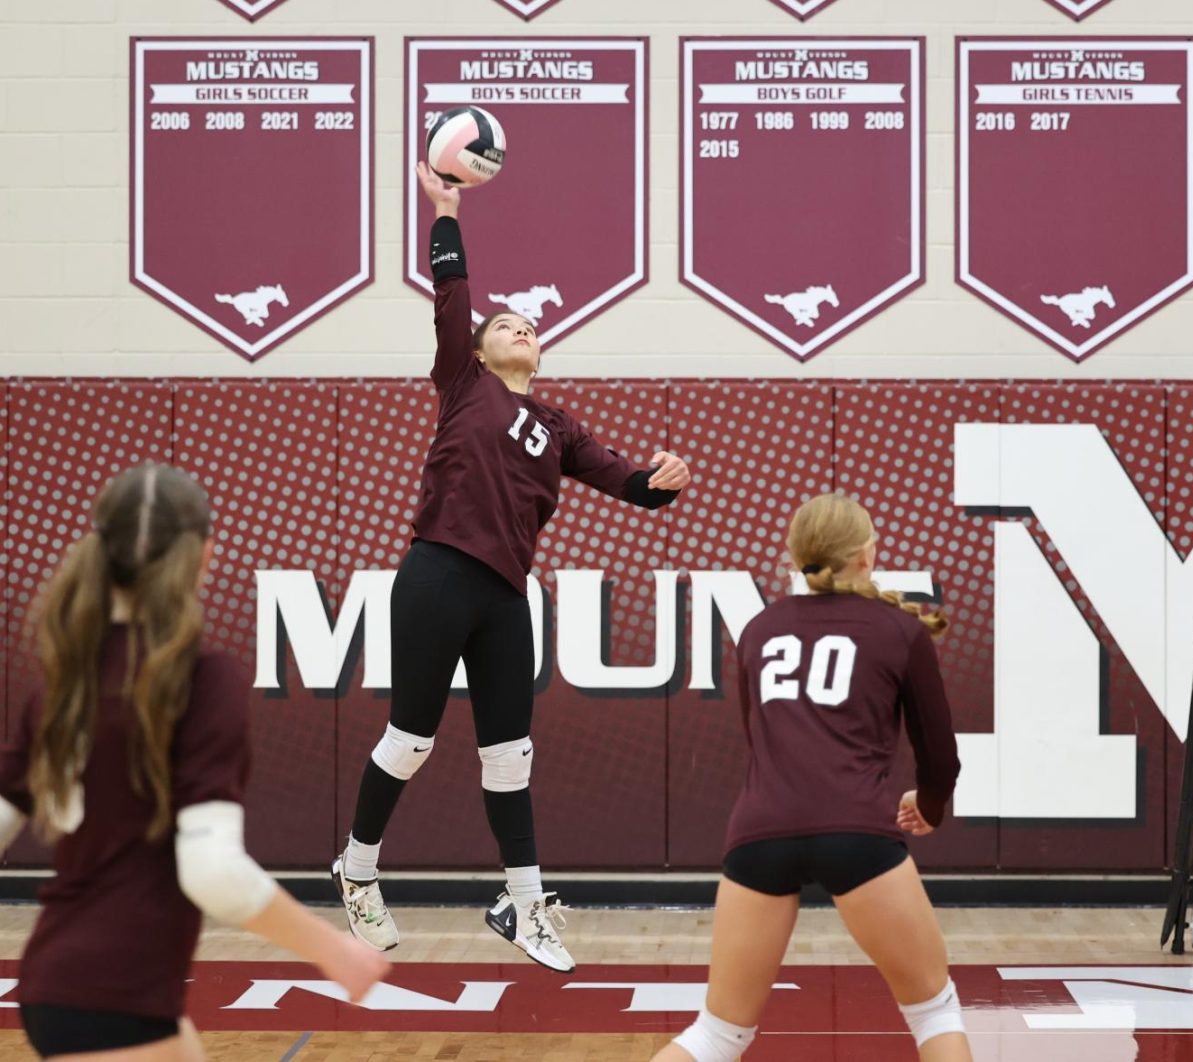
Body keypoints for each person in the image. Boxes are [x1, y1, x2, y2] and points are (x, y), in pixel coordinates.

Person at [332, 161, 691, 973]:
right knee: (412, 738)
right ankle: (357, 871)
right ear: (483, 350)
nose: (521, 327)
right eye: (507, 324)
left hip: (502, 596)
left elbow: (628, 484)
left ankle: (525, 908)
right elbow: (452, 298)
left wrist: (664, 481)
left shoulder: (559, 424)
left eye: (530, 324)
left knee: (511, 754)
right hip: (436, 574)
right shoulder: (462, 382)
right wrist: (446, 215)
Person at [0, 464, 389, 1061]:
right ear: (205, 555)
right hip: (114, 997)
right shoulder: (202, 678)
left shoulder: (63, 682)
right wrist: (334, 950)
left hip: (70, 982)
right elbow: (211, 871)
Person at [653, 493, 969, 1062]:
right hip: (858, 832)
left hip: (759, 834)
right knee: (934, 1012)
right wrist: (930, 804)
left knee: (717, 1034)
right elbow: (939, 754)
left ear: (792, 556)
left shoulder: (759, 629)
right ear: (868, 555)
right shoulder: (900, 630)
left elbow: (764, 743)